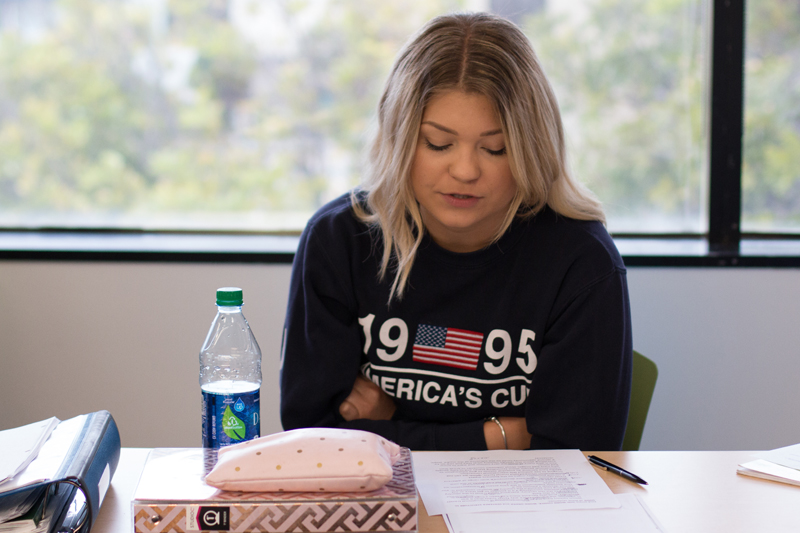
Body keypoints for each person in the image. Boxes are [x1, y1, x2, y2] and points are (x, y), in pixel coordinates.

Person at [280, 12, 632, 451]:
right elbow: (310, 440)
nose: (465, 170)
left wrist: (391, 421)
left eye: (495, 148)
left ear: (530, 149)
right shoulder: (338, 242)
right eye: (438, 144)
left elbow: (578, 454)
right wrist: (503, 434)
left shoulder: (582, 262)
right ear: (400, 139)